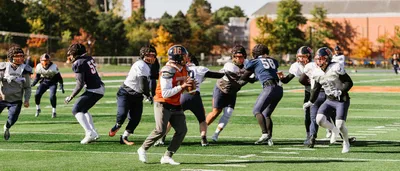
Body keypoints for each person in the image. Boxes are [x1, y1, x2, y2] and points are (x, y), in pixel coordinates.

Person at [137, 45, 194, 165]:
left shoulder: (184, 68)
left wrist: (190, 86)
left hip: (175, 102)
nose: (186, 57)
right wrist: (182, 86)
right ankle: (142, 149)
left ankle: (167, 156)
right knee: (160, 130)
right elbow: (166, 93)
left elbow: (185, 88)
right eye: (184, 55)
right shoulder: (168, 70)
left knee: (182, 130)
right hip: (162, 102)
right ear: (178, 57)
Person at [155, 54, 225, 147]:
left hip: (182, 95)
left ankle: (162, 137)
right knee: (202, 120)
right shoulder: (199, 69)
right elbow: (217, 75)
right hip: (195, 96)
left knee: (172, 119)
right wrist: (226, 72)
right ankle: (203, 139)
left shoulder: (180, 69)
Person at [303, 47, 353, 153]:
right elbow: (316, 88)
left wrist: (341, 91)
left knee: (340, 124)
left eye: (321, 59)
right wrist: (310, 102)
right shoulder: (316, 71)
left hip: (341, 100)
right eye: (317, 59)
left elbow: (349, 82)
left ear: (327, 58)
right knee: (319, 120)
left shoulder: (335, 67)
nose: (319, 61)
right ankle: (334, 130)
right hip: (329, 100)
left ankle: (346, 142)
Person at [108, 45, 156, 145]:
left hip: (137, 95)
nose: (153, 57)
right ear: (144, 55)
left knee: (136, 118)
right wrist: (148, 95)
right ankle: (118, 125)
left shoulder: (149, 65)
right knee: (122, 114)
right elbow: (142, 82)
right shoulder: (140, 64)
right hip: (126, 93)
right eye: (151, 55)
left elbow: (150, 81)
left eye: (154, 55)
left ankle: (124, 137)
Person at [237, 44, 283, 146]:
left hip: (269, 88)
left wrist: (238, 78)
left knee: (256, 111)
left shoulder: (255, 61)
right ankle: (269, 138)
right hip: (279, 89)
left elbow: (245, 76)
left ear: (255, 54)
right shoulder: (274, 61)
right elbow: (253, 79)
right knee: (266, 114)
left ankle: (264, 134)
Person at [205, 45, 249, 143]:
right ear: (233, 57)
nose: (239, 59)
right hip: (221, 88)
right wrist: (249, 79)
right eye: (236, 57)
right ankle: (203, 131)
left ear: (245, 56)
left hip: (232, 91)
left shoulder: (247, 64)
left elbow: (249, 78)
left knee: (228, 113)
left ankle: (216, 134)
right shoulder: (230, 66)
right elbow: (237, 83)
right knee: (216, 112)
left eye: (241, 57)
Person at [64, 43, 105, 144]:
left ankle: (89, 133)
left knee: (76, 109)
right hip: (98, 87)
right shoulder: (88, 58)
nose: (70, 56)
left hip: (94, 89)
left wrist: (71, 96)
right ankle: (93, 132)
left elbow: (80, 84)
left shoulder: (79, 63)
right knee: (83, 109)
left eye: (72, 54)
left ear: (76, 53)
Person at [278, 46, 316, 146]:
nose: (301, 59)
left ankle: (336, 132)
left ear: (309, 56)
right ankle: (309, 135)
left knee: (328, 111)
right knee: (308, 113)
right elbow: (287, 80)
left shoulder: (315, 64)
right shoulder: (296, 66)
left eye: (303, 56)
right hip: (308, 90)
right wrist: (281, 78)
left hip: (320, 89)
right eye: (299, 56)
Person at [1, 46, 32, 140]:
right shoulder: (3, 68)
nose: (20, 58)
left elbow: (27, 87)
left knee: (12, 119)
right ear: (11, 57)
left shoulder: (25, 69)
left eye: (21, 56)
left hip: (16, 99)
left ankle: (6, 127)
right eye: (17, 56)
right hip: (2, 98)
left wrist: (26, 99)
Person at [31, 53, 65, 118]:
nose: (45, 62)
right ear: (41, 60)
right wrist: (33, 83)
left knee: (52, 96)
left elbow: (59, 77)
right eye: (44, 60)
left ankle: (54, 111)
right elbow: (37, 77)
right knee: (37, 94)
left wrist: (61, 84)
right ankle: (38, 108)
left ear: (49, 61)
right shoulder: (39, 66)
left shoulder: (53, 66)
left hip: (53, 82)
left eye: (46, 60)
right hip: (44, 82)